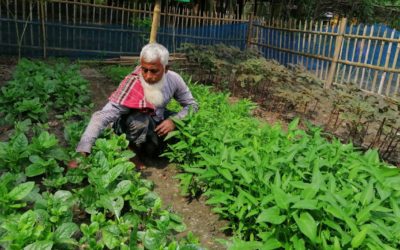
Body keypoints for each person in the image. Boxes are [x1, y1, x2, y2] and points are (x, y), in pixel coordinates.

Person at [73, 43, 198, 168]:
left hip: (156, 120)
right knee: (140, 122)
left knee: (183, 126)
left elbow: (192, 105)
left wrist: (174, 120)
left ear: (166, 69)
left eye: (154, 71)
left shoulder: (174, 79)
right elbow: (101, 116)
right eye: (144, 70)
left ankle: (151, 149)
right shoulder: (132, 83)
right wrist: (83, 150)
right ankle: (131, 152)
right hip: (130, 124)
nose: (148, 76)